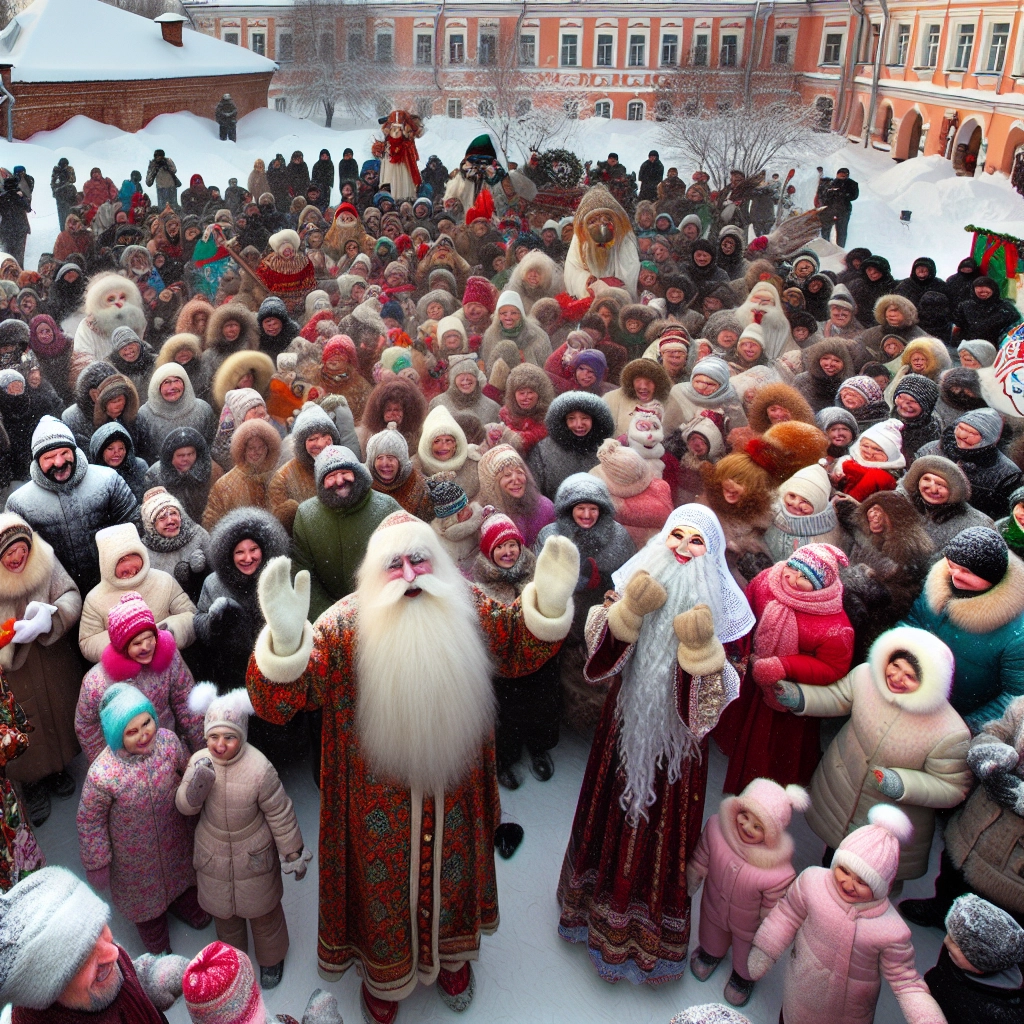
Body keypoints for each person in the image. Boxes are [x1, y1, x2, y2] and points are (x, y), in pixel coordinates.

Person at [247, 510, 578, 1021]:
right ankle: (385, 977)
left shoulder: (468, 605)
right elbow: (277, 705)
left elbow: (517, 645)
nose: (407, 574)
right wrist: (286, 645)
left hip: (456, 790)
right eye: (393, 563)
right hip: (376, 804)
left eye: (419, 559)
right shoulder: (342, 626)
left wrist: (548, 604)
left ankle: (453, 958)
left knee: (454, 876)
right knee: (382, 893)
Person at [558, 505, 755, 984]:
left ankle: (644, 939)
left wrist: (702, 652)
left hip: (677, 752)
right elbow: (597, 660)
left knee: (660, 834)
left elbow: (714, 707)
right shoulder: (635, 582)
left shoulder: (727, 614)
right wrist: (627, 613)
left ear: (712, 553)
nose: (682, 549)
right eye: (676, 536)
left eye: (696, 541)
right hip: (623, 727)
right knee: (608, 814)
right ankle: (589, 913)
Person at [774, 627, 971, 885]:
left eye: (910, 676)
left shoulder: (950, 732)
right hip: (841, 790)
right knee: (833, 856)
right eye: (895, 665)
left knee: (871, 879)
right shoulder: (866, 677)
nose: (896, 677)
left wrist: (902, 784)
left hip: (889, 819)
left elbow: (953, 788)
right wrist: (801, 697)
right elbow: (837, 697)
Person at [747, 805, 946, 1024]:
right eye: (844, 870)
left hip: (850, 1011)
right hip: (800, 990)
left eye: (862, 881)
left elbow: (905, 980)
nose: (848, 884)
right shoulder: (813, 882)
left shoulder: (891, 930)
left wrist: (925, 1016)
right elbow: (787, 914)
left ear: (881, 886)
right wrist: (765, 949)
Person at [177, 686, 309, 990]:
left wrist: (292, 851)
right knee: (225, 918)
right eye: (213, 736)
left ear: (242, 735)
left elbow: (279, 811)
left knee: (265, 915)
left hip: (253, 852)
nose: (220, 744)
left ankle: (272, 959)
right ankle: (234, 961)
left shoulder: (259, 768)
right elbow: (184, 806)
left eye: (229, 737)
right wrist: (194, 789)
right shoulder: (199, 762)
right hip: (213, 854)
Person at [77, 683, 209, 955]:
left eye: (147, 723)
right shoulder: (103, 774)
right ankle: (156, 938)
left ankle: (183, 901)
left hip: (174, 834)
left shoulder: (168, 743)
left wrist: (197, 797)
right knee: (145, 905)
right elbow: (90, 820)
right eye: (131, 731)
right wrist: (97, 861)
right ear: (117, 735)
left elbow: (187, 772)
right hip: (134, 859)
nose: (144, 734)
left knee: (182, 875)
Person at [722, 544, 853, 795]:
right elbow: (745, 611)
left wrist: (783, 666)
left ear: (821, 587)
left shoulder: (836, 627)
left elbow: (833, 667)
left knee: (772, 746)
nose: (792, 578)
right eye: (792, 568)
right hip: (749, 676)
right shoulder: (767, 581)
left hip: (785, 692)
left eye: (805, 578)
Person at [0, 865, 190, 1023]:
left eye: (99, 928)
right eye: (81, 957)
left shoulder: (104, 955)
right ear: (42, 993)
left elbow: (128, 972)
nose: (113, 952)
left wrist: (152, 977)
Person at [687, 779, 808, 1008]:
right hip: (714, 906)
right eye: (745, 815)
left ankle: (743, 977)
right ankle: (711, 953)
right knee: (712, 932)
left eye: (758, 826)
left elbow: (774, 908)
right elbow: (703, 854)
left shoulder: (778, 872)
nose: (747, 826)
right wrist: (694, 874)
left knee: (747, 953)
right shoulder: (716, 829)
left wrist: (768, 932)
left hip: (749, 926)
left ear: (771, 833)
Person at [0, 512, 82, 827]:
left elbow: (71, 594)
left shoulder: (46, 561)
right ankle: (32, 782)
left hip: (52, 657)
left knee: (58, 711)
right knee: (25, 722)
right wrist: (9, 636)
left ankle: (58, 768)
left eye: (21, 550)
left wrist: (52, 618)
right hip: (14, 673)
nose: (17, 557)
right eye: (9, 553)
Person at [905, 526, 1024, 731]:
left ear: (992, 576)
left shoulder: (1017, 633)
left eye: (966, 572)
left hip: (960, 715)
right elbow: (912, 623)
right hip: (910, 691)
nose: (954, 574)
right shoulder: (938, 585)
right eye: (951, 565)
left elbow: (1014, 698)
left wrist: (965, 727)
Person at [6, 416, 138, 596]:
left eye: (64, 453)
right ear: (37, 461)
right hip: (58, 595)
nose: (59, 462)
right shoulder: (19, 503)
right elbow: (15, 558)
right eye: (49, 457)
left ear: (74, 451)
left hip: (116, 584)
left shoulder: (108, 480)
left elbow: (134, 527)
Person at [923, 894, 1024, 1024]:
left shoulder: (991, 1012)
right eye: (950, 934)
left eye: (956, 944)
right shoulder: (961, 956)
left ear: (979, 966)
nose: (946, 941)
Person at [815, 167, 858, 247]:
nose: (842, 177)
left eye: (844, 176)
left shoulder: (852, 184)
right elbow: (822, 195)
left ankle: (840, 248)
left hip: (843, 211)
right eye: (840, 175)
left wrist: (842, 193)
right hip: (828, 210)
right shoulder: (830, 183)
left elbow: (854, 196)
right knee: (825, 229)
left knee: (841, 231)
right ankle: (825, 245)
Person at [0, 177, 32, 268]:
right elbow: (28, 208)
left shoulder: (2, 198)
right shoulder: (19, 196)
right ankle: (20, 271)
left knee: (9, 254)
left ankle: (10, 271)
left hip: (7, 229)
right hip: (20, 228)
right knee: (19, 255)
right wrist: (22, 197)